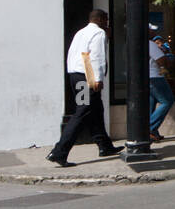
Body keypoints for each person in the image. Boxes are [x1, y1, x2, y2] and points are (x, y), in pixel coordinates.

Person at [47, 9, 120, 166]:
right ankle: (59, 151)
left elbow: (73, 53)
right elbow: (97, 56)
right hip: (87, 77)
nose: (107, 23)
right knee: (82, 111)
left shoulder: (80, 32)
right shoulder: (98, 33)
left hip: (76, 75)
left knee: (96, 110)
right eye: (106, 20)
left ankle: (105, 146)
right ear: (99, 19)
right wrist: (97, 79)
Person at [148, 23, 174, 141]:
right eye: (152, 31)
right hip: (155, 76)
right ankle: (149, 128)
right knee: (167, 101)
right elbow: (162, 61)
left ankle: (153, 133)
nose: (154, 34)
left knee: (151, 104)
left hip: (146, 78)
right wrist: (166, 54)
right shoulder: (151, 45)